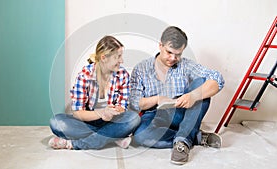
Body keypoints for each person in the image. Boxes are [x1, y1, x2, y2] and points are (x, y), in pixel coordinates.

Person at [129, 26, 225, 165]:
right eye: (169, 52)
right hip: (155, 115)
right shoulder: (141, 69)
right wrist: (157, 99)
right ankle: (194, 136)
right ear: (160, 45)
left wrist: (193, 96)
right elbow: (135, 102)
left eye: (178, 54)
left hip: (182, 114)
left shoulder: (185, 65)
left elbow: (217, 79)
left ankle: (182, 142)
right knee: (140, 136)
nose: (173, 58)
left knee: (201, 84)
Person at [49, 35, 140, 150]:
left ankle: (74, 144)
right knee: (56, 122)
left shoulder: (123, 75)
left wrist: (111, 112)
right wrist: (101, 113)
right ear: (103, 57)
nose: (121, 60)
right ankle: (114, 137)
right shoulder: (84, 76)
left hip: (111, 122)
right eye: (118, 57)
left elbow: (123, 106)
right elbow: (78, 113)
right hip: (88, 123)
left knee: (134, 118)